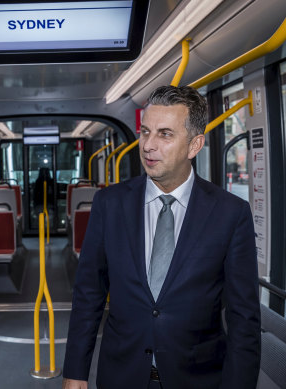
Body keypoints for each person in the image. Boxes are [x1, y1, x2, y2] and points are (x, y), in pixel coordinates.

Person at [62, 86, 260, 389]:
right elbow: (89, 292)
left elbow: (243, 317)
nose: (148, 145)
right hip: (121, 375)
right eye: (145, 131)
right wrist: (75, 371)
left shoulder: (230, 213)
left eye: (165, 134)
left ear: (194, 145)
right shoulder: (110, 204)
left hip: (198, 378)